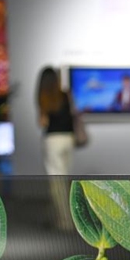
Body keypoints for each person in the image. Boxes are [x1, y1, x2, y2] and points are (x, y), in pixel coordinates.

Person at [36, 65, 75, 230]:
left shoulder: (43, 96)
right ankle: (67, 218)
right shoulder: (65, 94)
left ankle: (64, 220)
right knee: (64, 180)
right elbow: (73, 113)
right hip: (68, 138)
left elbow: (42, 122)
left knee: (56, 182)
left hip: (53, 140)